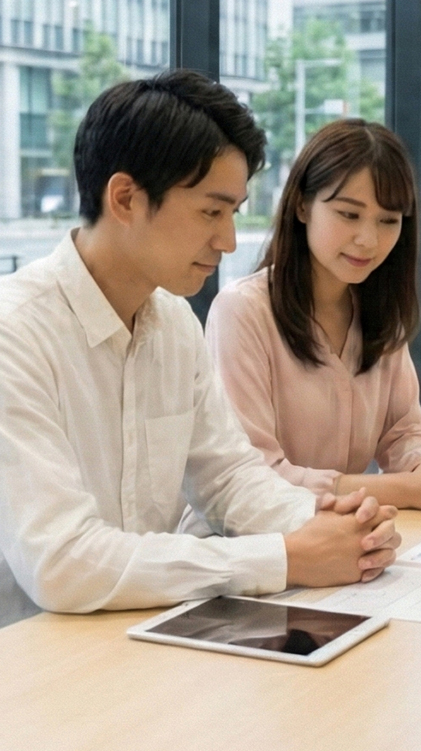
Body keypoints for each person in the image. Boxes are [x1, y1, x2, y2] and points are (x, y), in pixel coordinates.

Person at [0, 71, 400, 629]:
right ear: (125, 198)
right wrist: (284, 557)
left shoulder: (172, 324)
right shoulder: (15, 334)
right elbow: (62, 562)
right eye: (212, 212)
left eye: (234, 213)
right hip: (34, 653)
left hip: (143, 635)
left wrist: (330, 522)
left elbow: (229, 479)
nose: (228, 241)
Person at [204, 118, 421, 511]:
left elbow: (402, 433)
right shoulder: (243, 311)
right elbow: (255, 477)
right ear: (302, 206)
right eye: (349, 215)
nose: (368, 240)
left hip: (340, 531)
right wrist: (407, 489)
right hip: (243, 539)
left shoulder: (379, 310)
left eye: (388, 221)